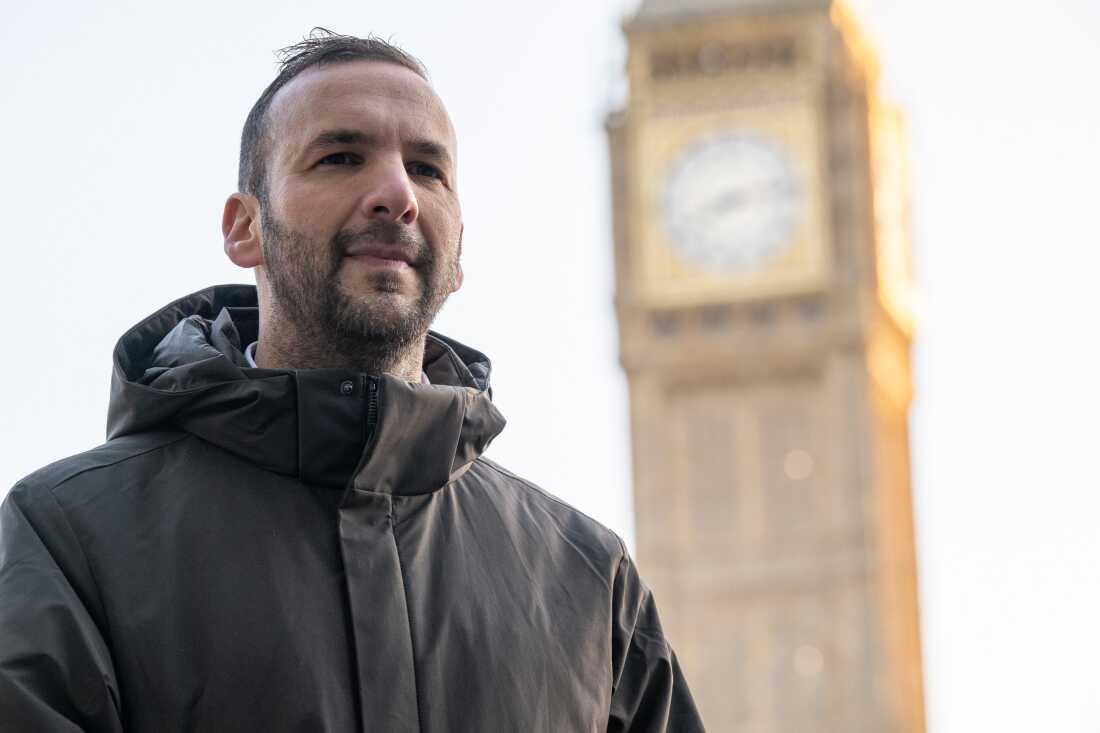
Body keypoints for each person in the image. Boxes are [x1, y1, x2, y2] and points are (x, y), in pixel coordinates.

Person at [0, 30, 704, 732]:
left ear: (457, 254)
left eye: (428, 170)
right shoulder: (67, 540)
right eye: (340, 157)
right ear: (246, 227)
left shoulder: (590, 582)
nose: (396, 193)